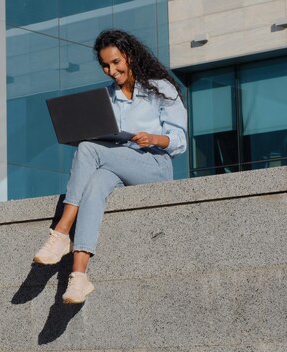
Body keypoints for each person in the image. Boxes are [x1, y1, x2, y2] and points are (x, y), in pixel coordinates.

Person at [33, 29, 188, 304]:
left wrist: (153, 138)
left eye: (116, 62)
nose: (111, 70)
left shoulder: (161, 88)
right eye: (105, 65)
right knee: (95, 184)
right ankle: (79, 277)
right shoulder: (107, 97)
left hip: (154, 163)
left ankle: (61, 232)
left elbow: (180, 141)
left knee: (88, 149)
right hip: (117, 163)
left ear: (130, 55)